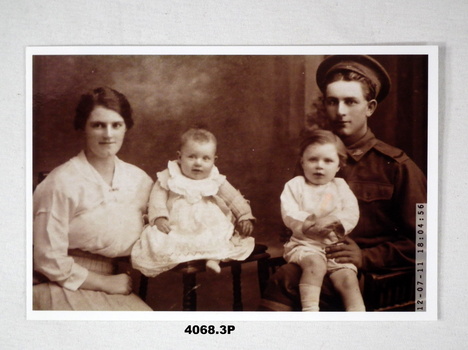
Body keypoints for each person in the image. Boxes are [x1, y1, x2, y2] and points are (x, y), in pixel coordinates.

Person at [260, 55, 427, 311]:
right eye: (332, 101)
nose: (340, 111)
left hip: (372, 277)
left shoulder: (398, 166)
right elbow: (292, 221)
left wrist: (366, 257)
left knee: (286, 282)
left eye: (350, 102)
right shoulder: (311, 160)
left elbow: (425, 241)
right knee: (287, 278)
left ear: (370, 107)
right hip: (313, 262)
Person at [33, 87, 154, 311]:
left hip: (116, 283)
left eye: (116, 125)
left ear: (126, 127)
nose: (108, 134)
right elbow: (46, 257)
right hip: (59, 284)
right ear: (83, 128)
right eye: (98, 125)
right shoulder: (61, 181)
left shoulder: (139, 180)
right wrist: (104, 282)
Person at [131, 127, 255, 277]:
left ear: (214, 160)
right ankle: (179, 256)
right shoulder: (169, 176)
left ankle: (213, 259)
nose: (198, 163)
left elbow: (234, 198)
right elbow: (157, 198)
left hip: (208, 223)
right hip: (177, 225)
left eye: (205, 158)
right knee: (163, 240)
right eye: (191, 157)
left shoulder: (215, 179)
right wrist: (159, 217)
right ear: (179, 157)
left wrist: (244, 215)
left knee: (217, 234)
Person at [281, 129, 364, 311]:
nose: (320, 166)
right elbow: (289, 212)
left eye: (328, 161)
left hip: (334, 247)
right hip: (305, 244)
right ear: (302, 162)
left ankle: (358, 317)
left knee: (348, 279)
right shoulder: (295, 185)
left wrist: (335, 219)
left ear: (339, 165)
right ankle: (310, 312)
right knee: (315, 265)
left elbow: (351, 212)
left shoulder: (340, 186)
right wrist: (308, 223)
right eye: (313, 159)